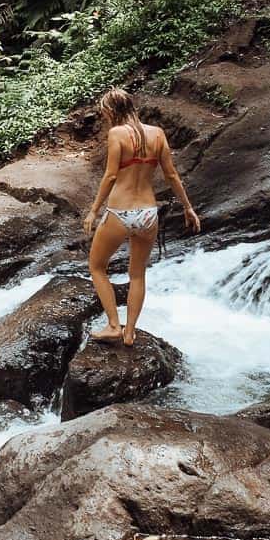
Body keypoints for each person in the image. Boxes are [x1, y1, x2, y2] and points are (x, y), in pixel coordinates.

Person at [83, 88, 200, 346]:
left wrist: (94, 210)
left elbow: (111, 176)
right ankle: (130, 332)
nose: (104, 117)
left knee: (97, 267)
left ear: (111, 110)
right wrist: (188, 207)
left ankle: (114, 325)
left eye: (104, 112)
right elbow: (171, 175)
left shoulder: (117, 133)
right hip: (148, 213)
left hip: (120, 212)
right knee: (137, 274)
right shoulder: (157, 134)